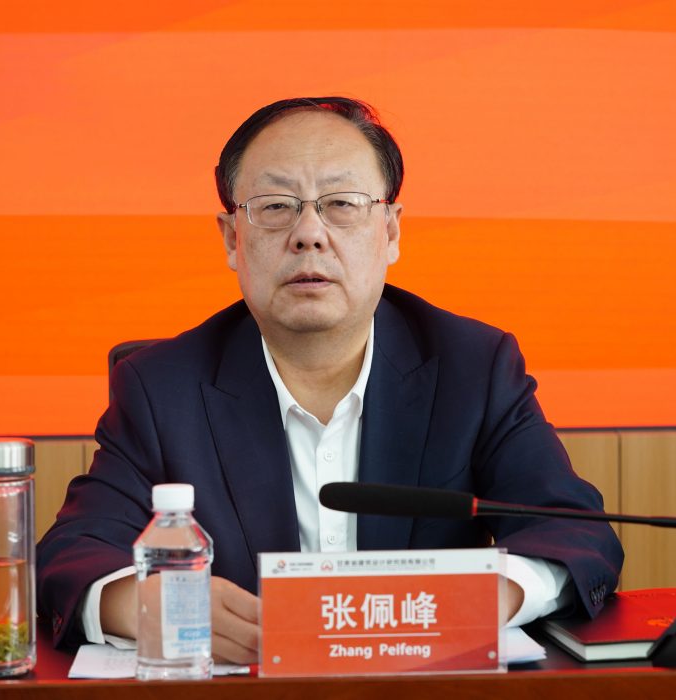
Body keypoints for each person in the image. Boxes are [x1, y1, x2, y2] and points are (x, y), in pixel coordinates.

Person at [36, 97, 624, 661]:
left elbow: (573, 531)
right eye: (275, 206)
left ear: (390, 231)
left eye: (342, 203)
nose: (309, 233)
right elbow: (73, 552)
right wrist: (150, 605)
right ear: (232, 238)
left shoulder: (473, 367)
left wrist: (487, 597)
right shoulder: (161, 388)